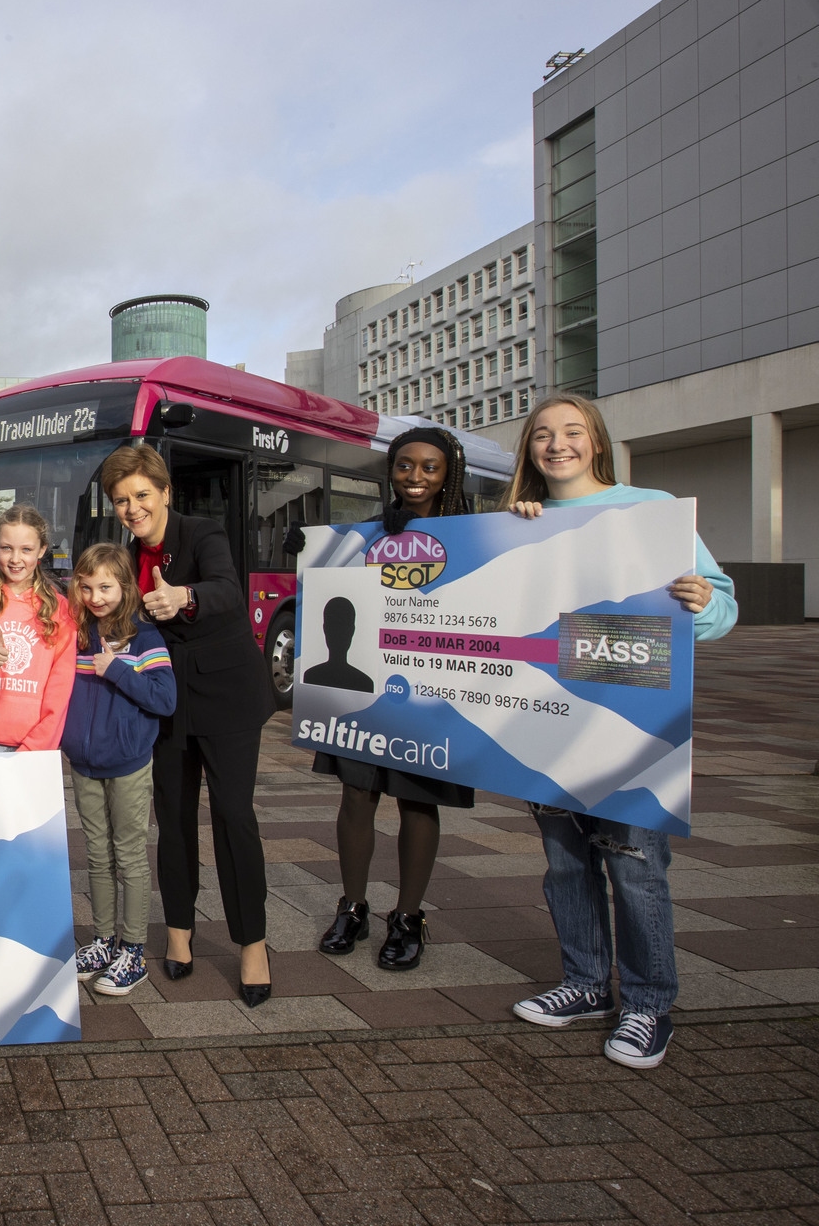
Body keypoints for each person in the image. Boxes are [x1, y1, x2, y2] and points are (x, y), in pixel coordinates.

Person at [504, 393, 734, 1070]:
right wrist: (514, 532)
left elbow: (719, 606)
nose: (557, 445)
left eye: (572, 432)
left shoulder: (650, 510)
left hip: (627, 719)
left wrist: (705, 601)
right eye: (543, 435)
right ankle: (584, 983)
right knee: (566, 862)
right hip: (545, 716)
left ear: (596, 442)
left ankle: (648, 1002)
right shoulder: (522, 519)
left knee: (634, 866)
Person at [101, 444, 277, 1007]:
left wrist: (185, 596)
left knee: (233, 816)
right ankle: (179, 934)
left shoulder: (203, 533)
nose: (133, 508)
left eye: (142, 496)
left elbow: (228, 589)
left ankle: (252, 943)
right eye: (122, 500)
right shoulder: (126, 558)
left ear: (166, 492)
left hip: (227, 695)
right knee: (173, 819)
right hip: (168, 701)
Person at [308, 427, 476, 971]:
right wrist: (307, 554)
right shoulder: (370, 533)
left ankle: (407, 917)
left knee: (417, 801)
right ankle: (352, 906)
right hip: (370, 689)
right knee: (356, 796)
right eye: (405, 466)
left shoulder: (477, 534)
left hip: (433, 693)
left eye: (430, 467)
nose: (416, 477)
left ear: (449, 473)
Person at [64, 542, 176, 998]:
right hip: (84, 764)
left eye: (106, 586)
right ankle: (103, 939)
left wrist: (116, 670)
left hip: (129, 764)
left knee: (128, 855)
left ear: (125, 585)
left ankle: (133, 949)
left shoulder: (145, 638)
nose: (96, 596)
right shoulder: (76, 634)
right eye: (87, 586)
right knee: (96, 853)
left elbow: (164, 700)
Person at [0, 504, 77, 753]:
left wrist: (36, 748)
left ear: (42, 549)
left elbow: (60, 690)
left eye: (26, 550)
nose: (15, 559)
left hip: (36, 743)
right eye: (6, 548)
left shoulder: (60, 611)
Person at [302, 597, 375, 692]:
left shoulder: (311, 675)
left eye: (343, 627)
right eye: (334, 626)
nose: (338, 633)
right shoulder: (364, 682)